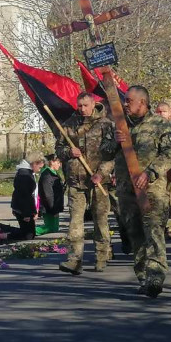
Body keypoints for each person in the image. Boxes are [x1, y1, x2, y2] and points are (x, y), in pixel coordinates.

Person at [112, 85, 171, 297]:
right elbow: (105, 153)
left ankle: (155, 277)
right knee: (135, 234)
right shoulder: (122, 126)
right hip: (126, 190)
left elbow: (170, 152)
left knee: (154, 232)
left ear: (142, 102)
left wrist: (150, 172)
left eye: (129, 100)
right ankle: (143, 275)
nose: (125, 104)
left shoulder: (160, 125)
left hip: (152, 190)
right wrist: (113, 142)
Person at [58, 93, 116, 275]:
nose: (82, 109)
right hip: (76, 180)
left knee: (100, 220)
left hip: (98, 180)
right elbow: (58, 149)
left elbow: (112, 155)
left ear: (93, 104)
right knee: (75, 222)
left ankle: (101, 256)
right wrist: (69, 152)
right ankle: (74, 259)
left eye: (85, 105)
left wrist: (101, 173)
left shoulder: (105, 125)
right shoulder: (69, 124)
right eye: (79, 105)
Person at [0, 156, 42, 244]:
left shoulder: (26, 173)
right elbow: (25, 196)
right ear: (34, 164)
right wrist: (27, 214)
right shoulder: (25, 175)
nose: (39, 170)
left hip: (22, 207)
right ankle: (1, 232)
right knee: (28, 235)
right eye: (39, 167)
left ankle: (2, 229)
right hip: (23, 209)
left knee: (30, 233)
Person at [154, 100, 171, 239]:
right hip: (157, 169)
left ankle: (170, 226)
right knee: (160, 199)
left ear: (170, 113)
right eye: (158, 111)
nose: (160, 114)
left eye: (163, 111)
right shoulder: (151, 128)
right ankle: (161, 226)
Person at [36, 153, 65, 235]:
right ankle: (29, 231)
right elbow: (47, 194)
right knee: (49, 227)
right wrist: (53, 208)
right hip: (49, 207)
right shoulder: (47, 175)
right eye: (58, 162)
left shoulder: (55, 173)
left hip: (55, 205)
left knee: (55, 228)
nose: (60, 165)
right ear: (52, 162)